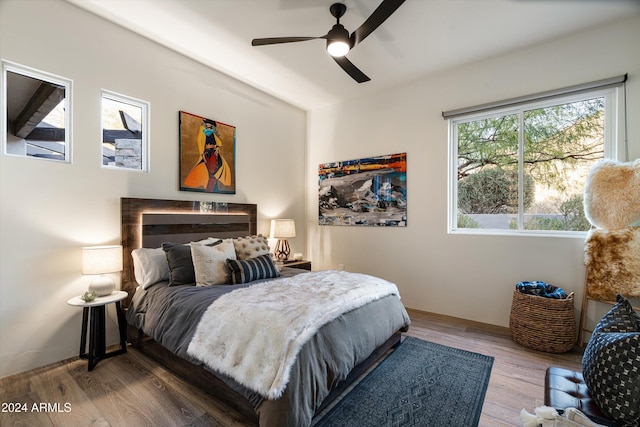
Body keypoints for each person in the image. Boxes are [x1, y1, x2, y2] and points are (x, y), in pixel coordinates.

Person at [183, 119, 231, 192]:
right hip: (206, 152)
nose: (208, 124)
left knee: (213, 171)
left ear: (212, 125)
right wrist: (201, 153)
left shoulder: (213, 132)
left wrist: (217, 147)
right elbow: (199, 140)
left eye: (209, 123)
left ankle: (209, 190)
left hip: (213, 152)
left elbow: (219, 143)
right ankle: (213, 190)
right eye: (207, 123)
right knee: (209, 171)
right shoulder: (202, 130)